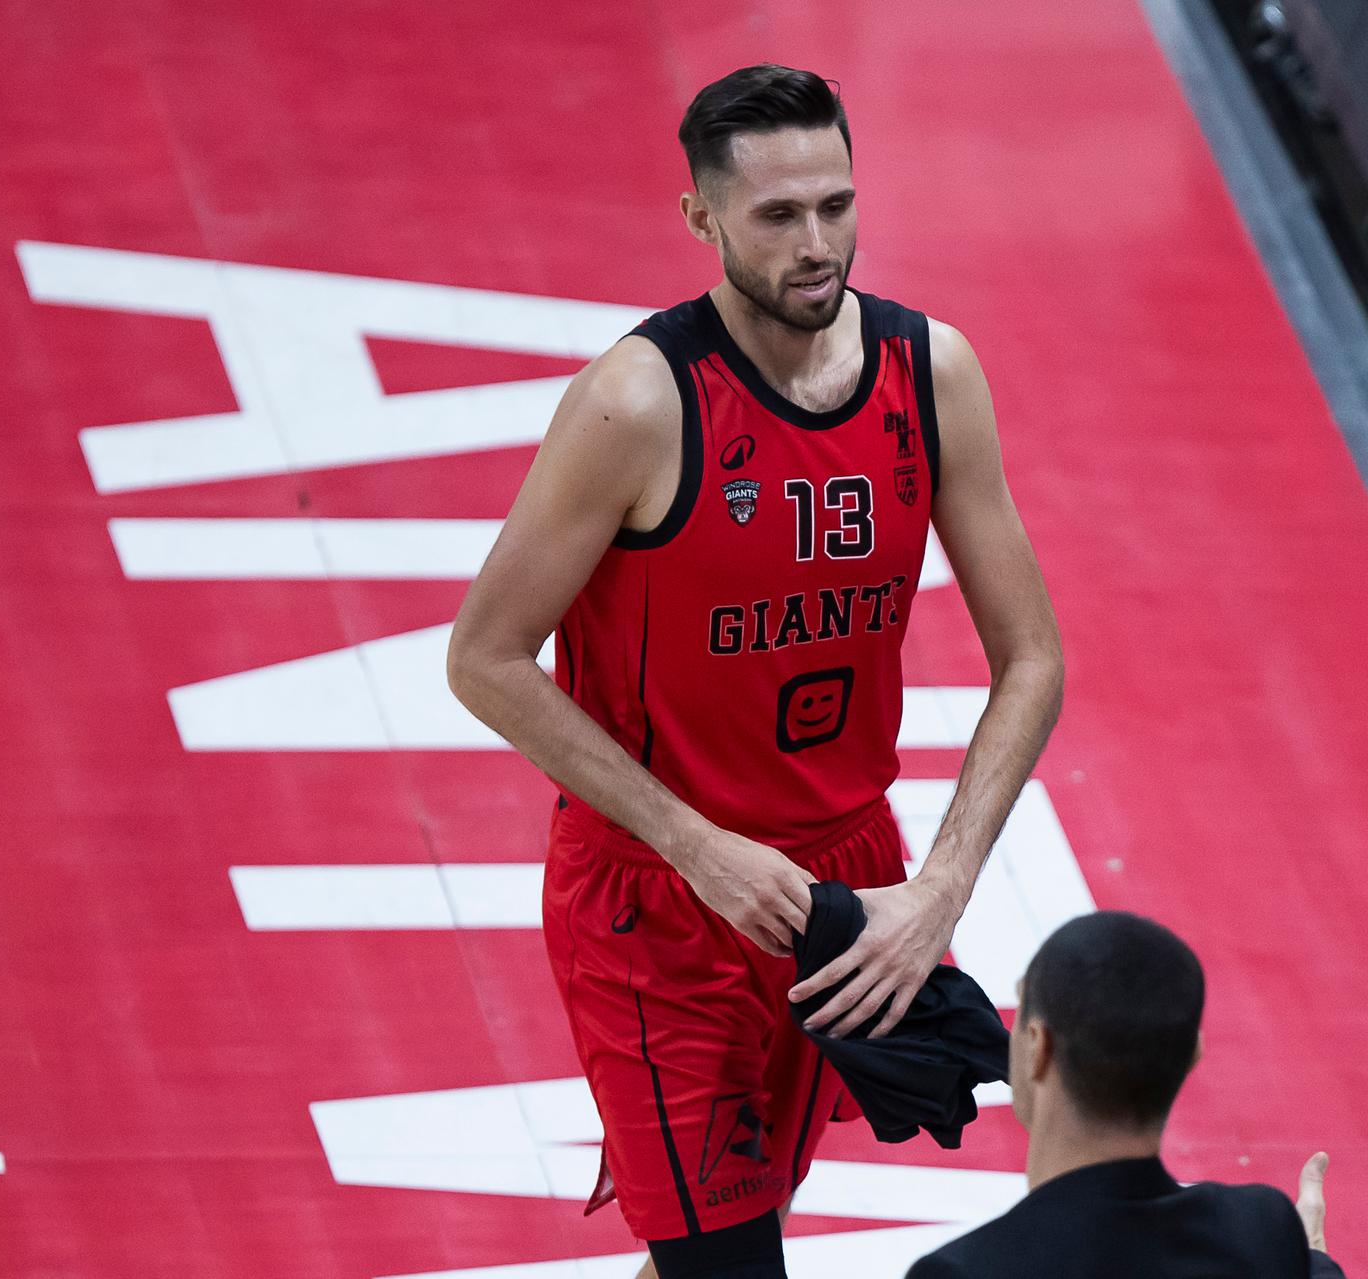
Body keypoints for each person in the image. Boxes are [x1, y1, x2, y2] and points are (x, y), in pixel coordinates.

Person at [446, 63, 1064, 1279]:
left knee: (730, 1237)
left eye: (836, 204)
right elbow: (485, 657)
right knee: (727, 1262)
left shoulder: (931, 372)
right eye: (778, 215)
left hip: (841, 894)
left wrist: (939, 888)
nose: (817, 243)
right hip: (661, 901)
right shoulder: (638, 402)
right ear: (702, 218)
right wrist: (694, 844)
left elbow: (1033, 655)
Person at [906, 913, 1345, 1278]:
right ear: (1191, 1057)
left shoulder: (962, 1271)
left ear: (1039, 1048)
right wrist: (1307, 1261)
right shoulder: (1261, 1230)